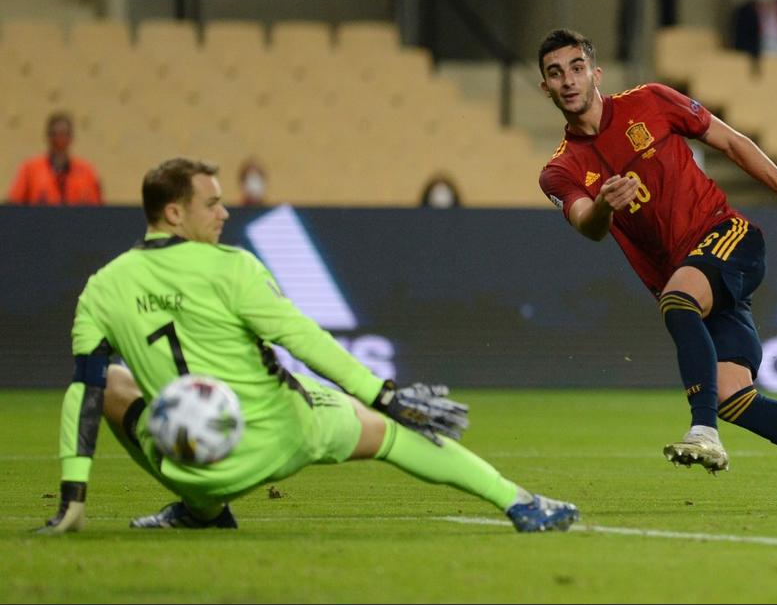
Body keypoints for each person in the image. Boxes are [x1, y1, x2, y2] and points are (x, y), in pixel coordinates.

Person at [38, 157, 579, 534]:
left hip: (191, 463)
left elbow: (81, 394)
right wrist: (380, 393)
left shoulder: (103, 286)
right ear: (174, 214)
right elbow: (300, 337)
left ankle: (201, 509)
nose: (225, 213)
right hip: (280, 434)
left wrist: (74, 496)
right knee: (390, 434)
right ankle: (521, 504)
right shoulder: (233, 267)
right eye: (212, 204)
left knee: (109, 381)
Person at [535, 28, 777, 508]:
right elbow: (588, 224)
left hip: (729, 237)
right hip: (694, 276)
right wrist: (604, 204)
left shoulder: (650, 101)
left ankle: (702, 430)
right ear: (546, 88)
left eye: (577, 67)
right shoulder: (559, 170)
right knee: (736, 398)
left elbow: (730, 141)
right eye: (555, 73)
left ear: (595, 73)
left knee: (678, 299)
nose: (569, 80)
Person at [7, 111, 103, 205]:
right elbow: (13, 206)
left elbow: (98, 210)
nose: (59, 140)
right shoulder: (31, 169)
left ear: (71, 138)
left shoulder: (86, 172)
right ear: (47, 137)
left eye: (64, 134)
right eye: (55, 134)